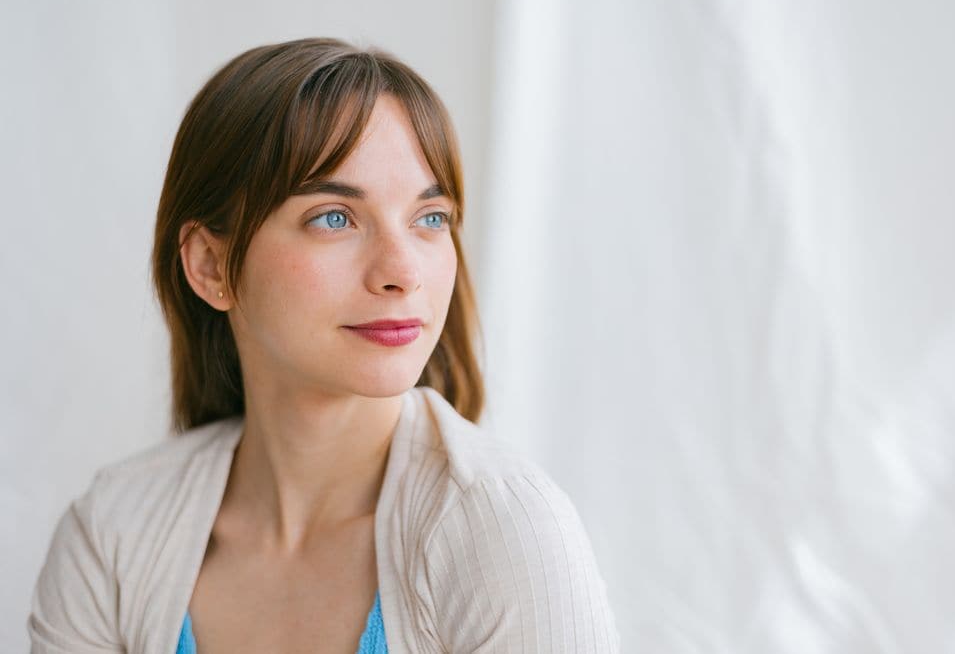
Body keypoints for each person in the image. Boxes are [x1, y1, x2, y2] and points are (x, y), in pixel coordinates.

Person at [26, 37, 619, 653]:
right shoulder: (113, 531)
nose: (402, 271)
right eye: (335, 217)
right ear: (210, 265)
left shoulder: (507, 534)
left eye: (429, 219)